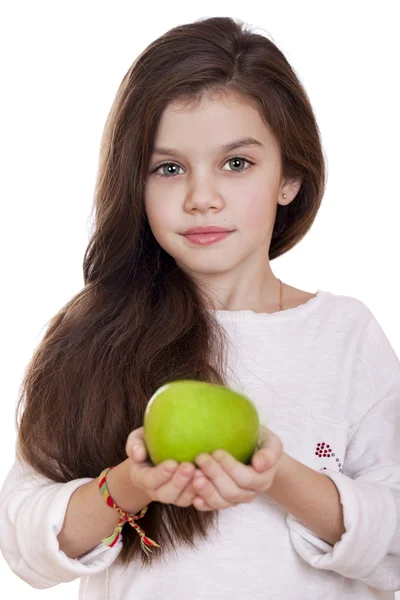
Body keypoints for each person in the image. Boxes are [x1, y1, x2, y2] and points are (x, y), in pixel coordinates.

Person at [0, 15, 399, 600]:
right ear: (134, 185)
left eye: (236, 163)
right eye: (169, 168)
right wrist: (131, 485)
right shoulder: (96, 334)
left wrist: (279, 476)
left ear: (289, 175)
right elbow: (23, 545)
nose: (201, 198)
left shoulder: (343, 335)